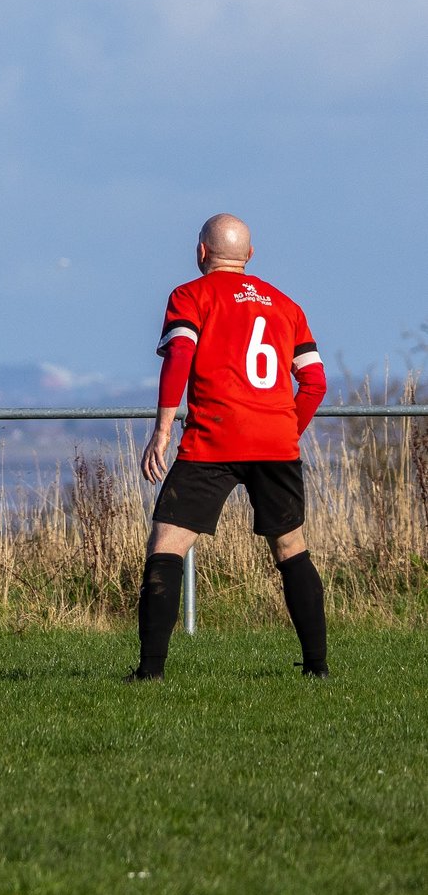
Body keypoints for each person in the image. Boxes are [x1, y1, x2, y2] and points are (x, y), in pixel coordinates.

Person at [133, 213, 330, 681]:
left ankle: (150, 671)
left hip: (212, 442)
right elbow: (315, 383)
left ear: (202, 252)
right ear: (250, 256)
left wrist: (162, 430)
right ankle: (318, 669)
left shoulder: (190, 295)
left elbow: (180, 354)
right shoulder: (286, 305)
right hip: (276, 446)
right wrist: (285, 429)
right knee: (291, 548)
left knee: (168, 544)